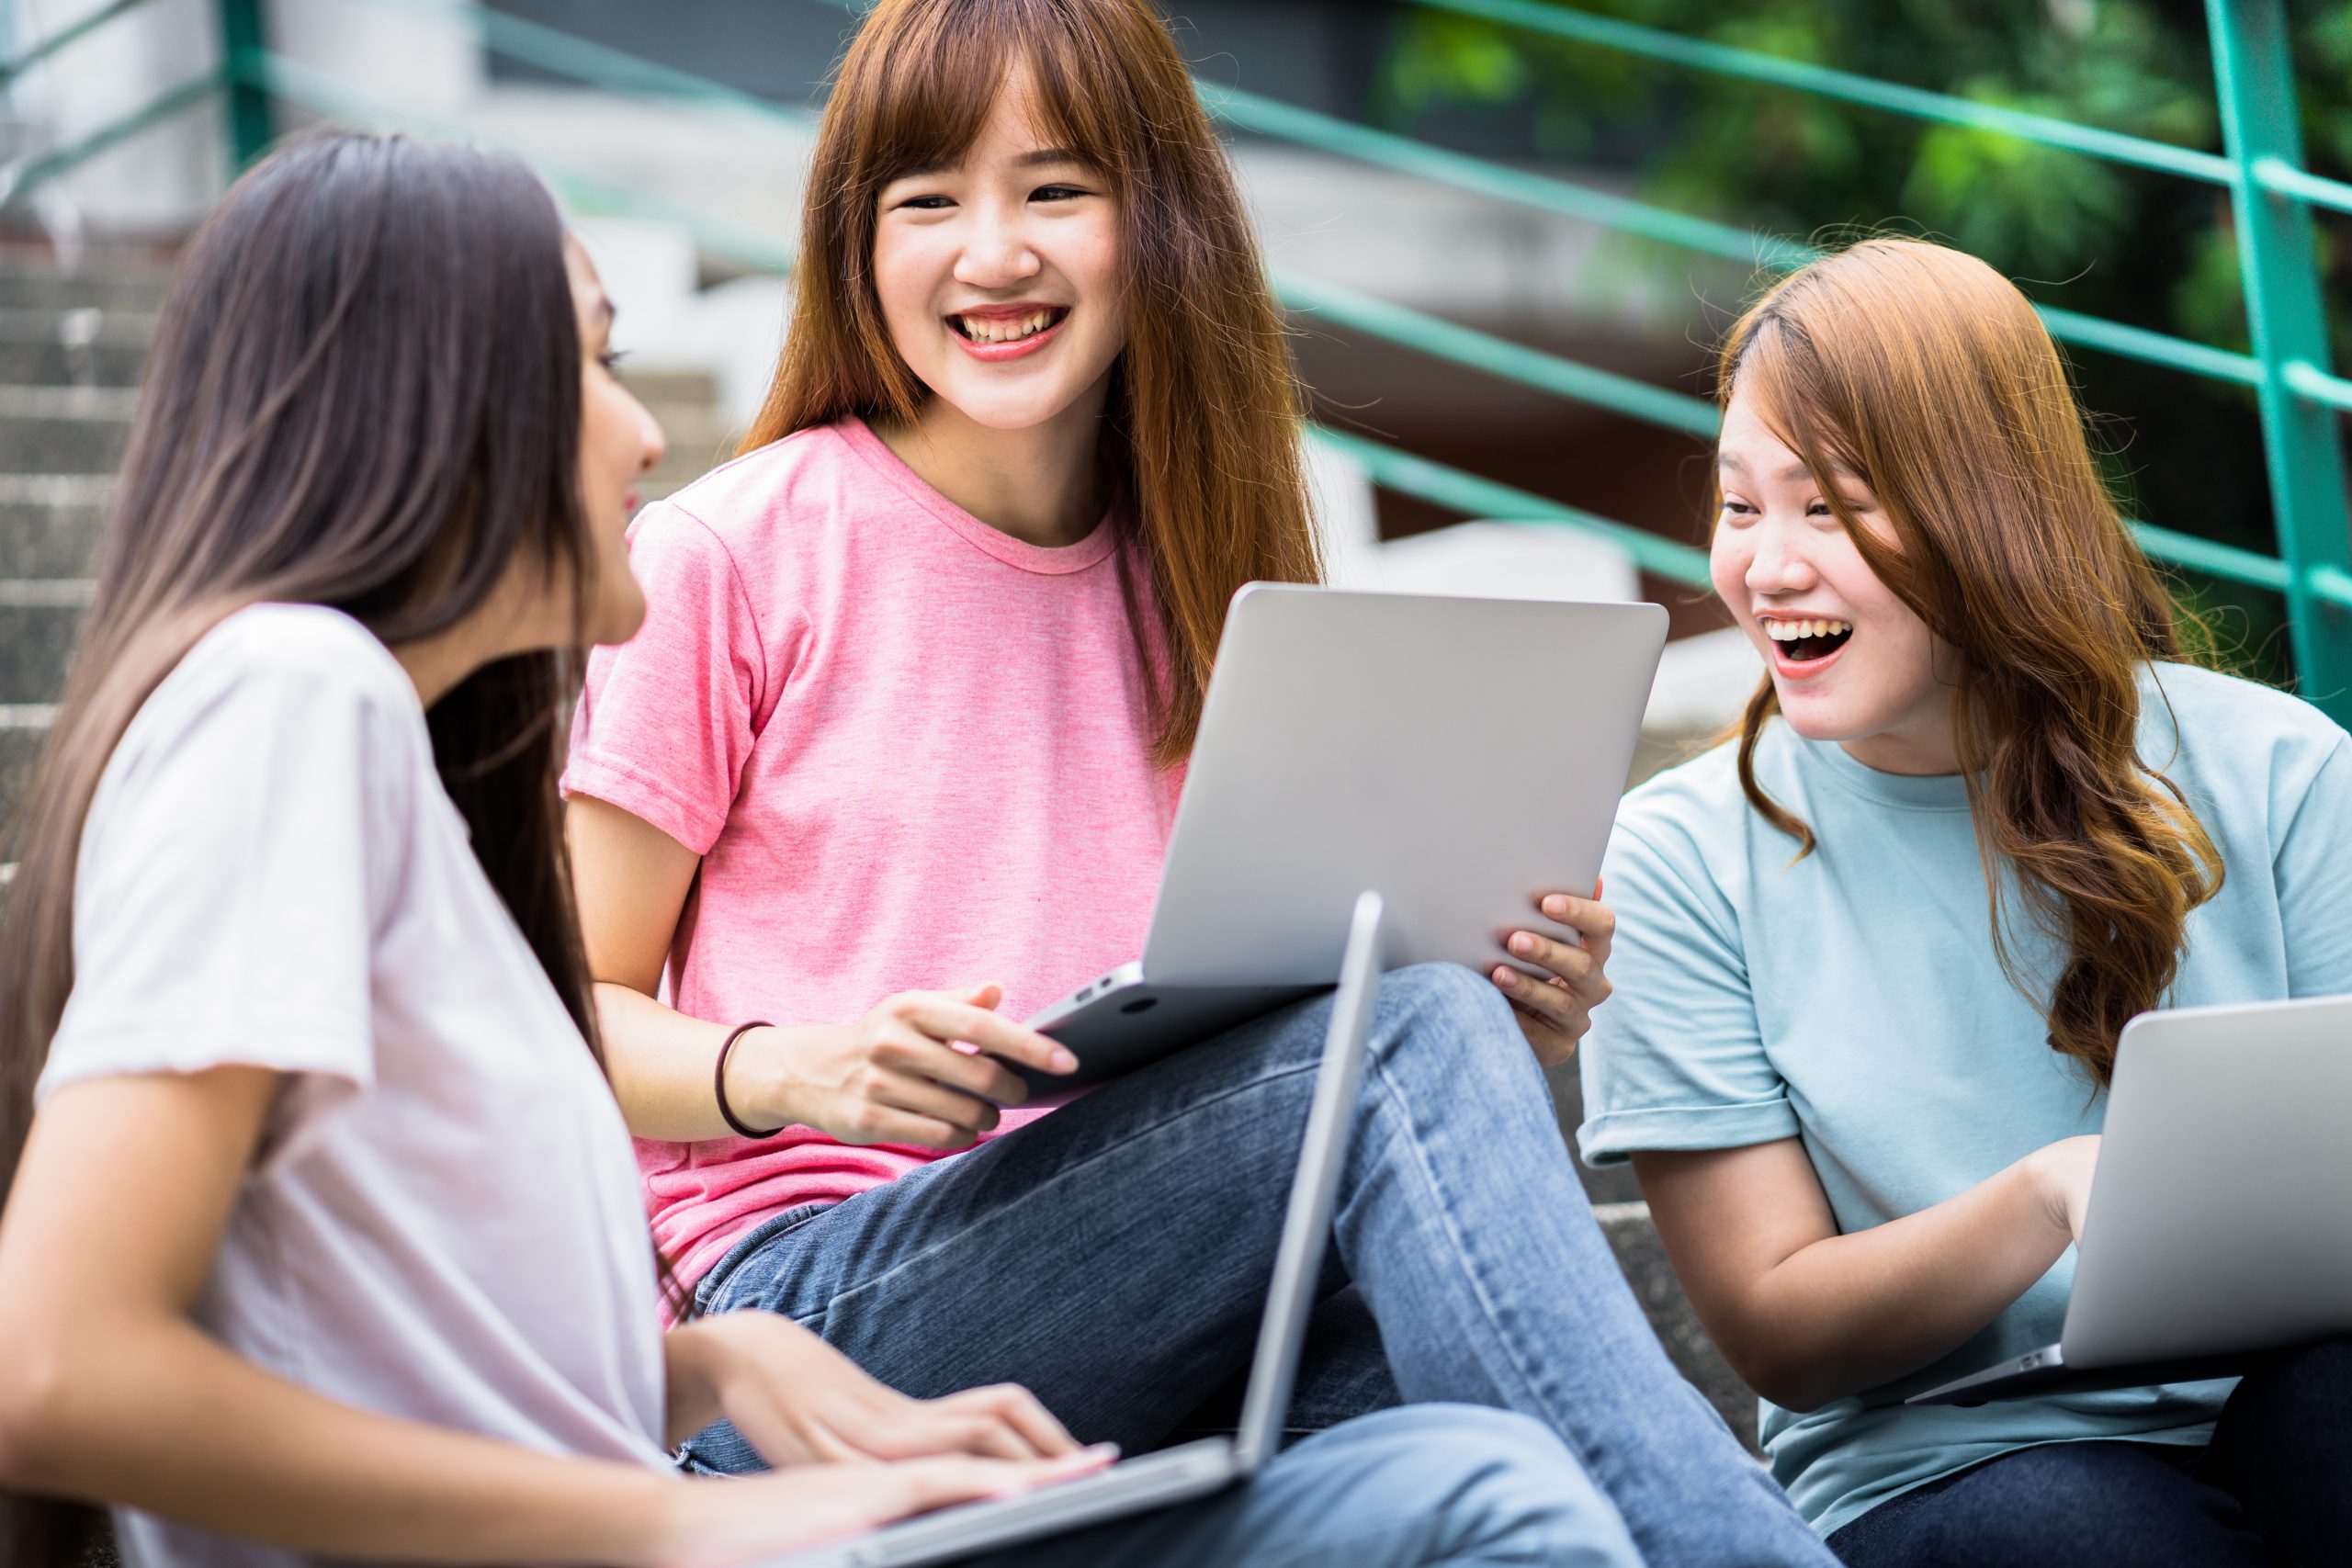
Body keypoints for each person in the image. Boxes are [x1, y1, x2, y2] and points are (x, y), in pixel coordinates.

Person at [0, 130, 1642, 1568]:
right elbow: (52, 1369)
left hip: (854, 1418)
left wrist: (712, 1373)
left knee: (1485, 1484)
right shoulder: (300, 693)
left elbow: (425, 1352)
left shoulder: (413, 801)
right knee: (1407, 1097)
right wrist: (670, 1505)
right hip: (753, 1437)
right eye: (594, 364)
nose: (646, 437)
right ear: (438, 401)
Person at [564, 2, 1832, 1564]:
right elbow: (561, 1018)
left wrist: (1501, 1003)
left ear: (1157, 219)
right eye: (927, 201)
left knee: (1507, 1469)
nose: (992, 254)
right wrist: (797, 1070)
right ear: (855, 244)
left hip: (1159, 1304)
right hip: (820, 1330)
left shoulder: (1215, 584)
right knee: (1409, 1057)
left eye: (1055, 190)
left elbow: (1270, 1050)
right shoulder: (729, 552)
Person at [1577, 236, 2352, 1566]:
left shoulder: (2278, 768)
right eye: (1740, 506)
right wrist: (2045, 1197)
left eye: (1830, 507)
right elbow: (1775, 1326)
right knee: (2077, 1536)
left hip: (2284, 1384)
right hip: (1953, 1462)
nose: (1767, 566)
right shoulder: (1677, 857)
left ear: (1994, 511)